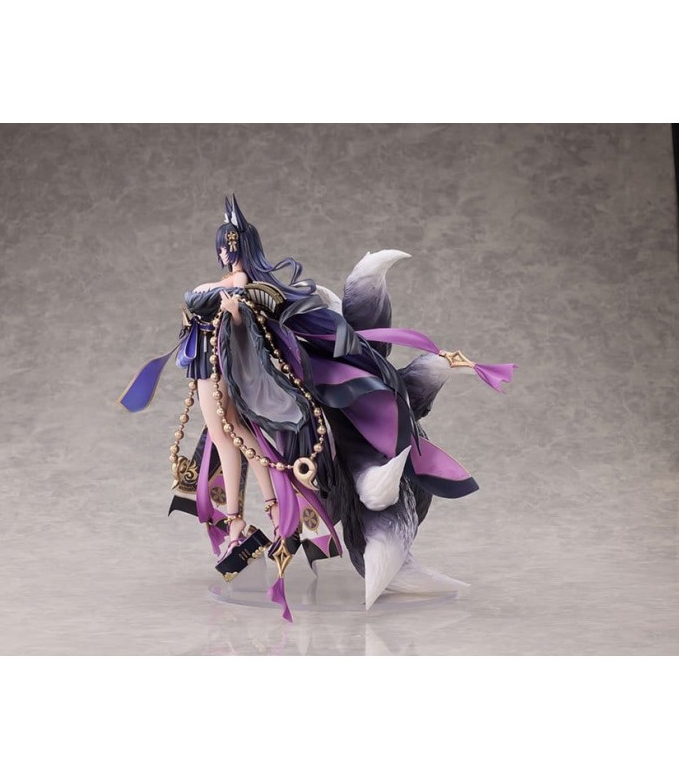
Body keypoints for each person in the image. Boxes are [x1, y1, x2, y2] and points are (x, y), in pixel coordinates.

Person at [119, 195, 516, 621]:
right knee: (230, 437)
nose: (223, 254)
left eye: (228, 247)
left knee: (232, 437)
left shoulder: (238, 284)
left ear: (238, 249)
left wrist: (227, 310)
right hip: (211, 367)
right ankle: (253, 521)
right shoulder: (235, 284)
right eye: (221, 247)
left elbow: (224, 310)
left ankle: (255, 521)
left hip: (223, 372)